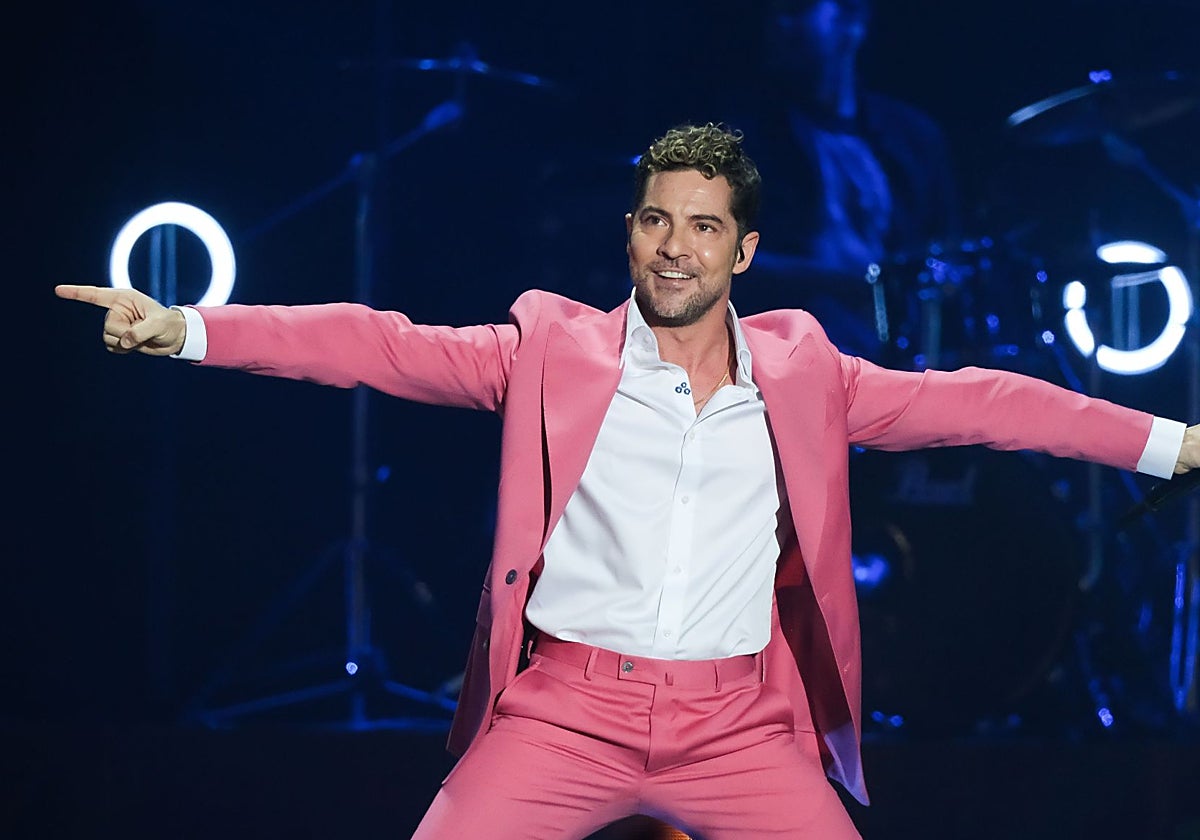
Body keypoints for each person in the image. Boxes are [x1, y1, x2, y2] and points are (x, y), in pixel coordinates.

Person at [57, 123, 1198, 839]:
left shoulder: (809, 376)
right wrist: (188, 329)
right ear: (631, 232)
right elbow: (378, 343)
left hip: (741, 728)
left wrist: (1173, 443)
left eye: (703, 226)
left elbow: (992, 403)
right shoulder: (551, 353)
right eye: (656, 219)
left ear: (743, 252)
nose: (674, 245)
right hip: (566, 715)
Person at [731, 0, 961, 361]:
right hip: (784, 359)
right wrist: (841, 280)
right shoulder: (746, 139)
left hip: (901, 360)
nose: (780, 23)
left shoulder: (914, 139)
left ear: (851, 19)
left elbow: (948, 252)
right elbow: (717, 259)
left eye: (797, 8)